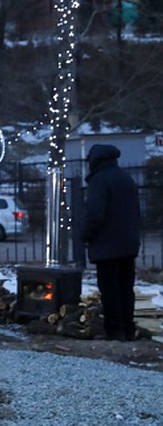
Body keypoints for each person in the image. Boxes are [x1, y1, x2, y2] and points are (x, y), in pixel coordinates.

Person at [80, 144, 141, 341]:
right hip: (128, 243)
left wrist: (85, 234)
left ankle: (114, 331)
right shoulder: (125, 178)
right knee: (125, 288)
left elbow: (95, 214)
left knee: (110, 290)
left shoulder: (100, 181)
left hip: (107, 245)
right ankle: (128, 329)